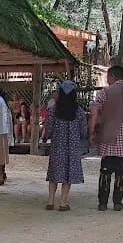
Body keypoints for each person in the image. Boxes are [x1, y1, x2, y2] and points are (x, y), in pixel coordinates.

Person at [88, 65, 123, 212]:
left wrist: (92, 130)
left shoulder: (105, 92)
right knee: (122, 172)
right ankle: (118, 202)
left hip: (108, 136)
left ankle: (102, 203)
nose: (107, 80)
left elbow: (94, 111)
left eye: (108, 77)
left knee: (105, 171)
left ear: (112, 77)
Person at [46, 80, 86, 211]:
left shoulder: (53, 110)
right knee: (68, 175)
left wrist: (49, 136)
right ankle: (63, 203)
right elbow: (83, 131)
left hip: (57, 146)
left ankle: (50, 201)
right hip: (72, 147)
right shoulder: (79, 111)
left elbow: (48, 129)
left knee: (54, 173)